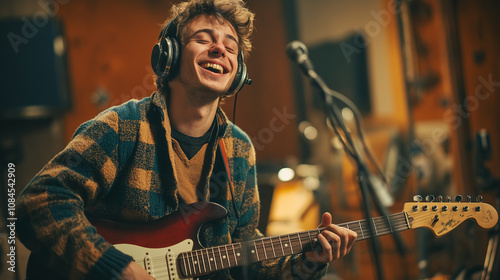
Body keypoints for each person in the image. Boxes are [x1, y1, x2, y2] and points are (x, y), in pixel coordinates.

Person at [16, 0, 357, 279]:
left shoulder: (238, 150)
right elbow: (39, 201)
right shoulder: (123, 127)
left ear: (238, 75)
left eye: (230, 46)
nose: (219, 49)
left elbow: (246, 253)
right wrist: (116, 267)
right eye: (204, 38)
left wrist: (310, 260)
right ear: (170, 56)